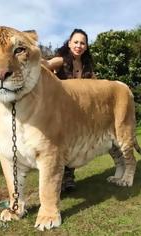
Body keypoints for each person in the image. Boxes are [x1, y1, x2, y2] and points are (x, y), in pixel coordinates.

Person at [42, 29, 95, 192]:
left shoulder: (87, 65)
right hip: (60, 110)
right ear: (69, 43)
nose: (79, 45)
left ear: (86, 46)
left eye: (82, 43)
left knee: (73, 144)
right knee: (60, 144)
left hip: (78, 111)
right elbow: (46, 65)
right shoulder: (61, 60)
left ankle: (68, 176)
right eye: (76, 42)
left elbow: (94, 85)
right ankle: (60, 179)